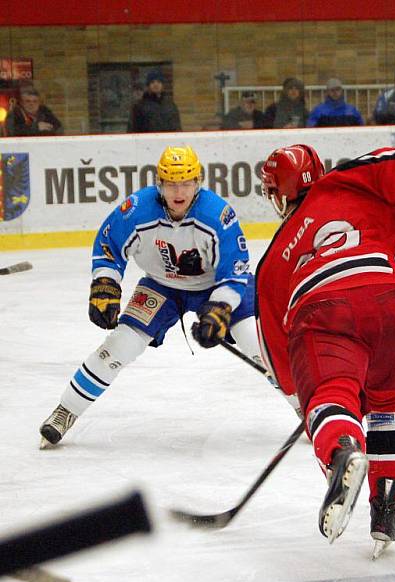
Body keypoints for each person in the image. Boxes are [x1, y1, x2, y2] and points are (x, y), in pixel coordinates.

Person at [255, 145, 395, 553]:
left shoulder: (274, 258)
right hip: (393, 304)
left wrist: (310, 407)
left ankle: (344, 451)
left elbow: (277, 355)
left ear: (279, 193)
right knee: (392, 401)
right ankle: (388, 512)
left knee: (332, 396)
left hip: (325, 312)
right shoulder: (348, 182)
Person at [38, 146, 296, 448]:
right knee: (119, 345)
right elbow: (108, 244)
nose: (179, 191)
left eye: (186, 182)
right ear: (159, 182)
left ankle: (304, 404)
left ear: (198, 181)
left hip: (214, 286)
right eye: (171, 182)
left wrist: (221, 307)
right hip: (161, 286)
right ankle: (65, 410)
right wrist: (105, 283)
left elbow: (235, 272)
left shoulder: (217, 215)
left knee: (259, 343)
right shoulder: (137, 209)